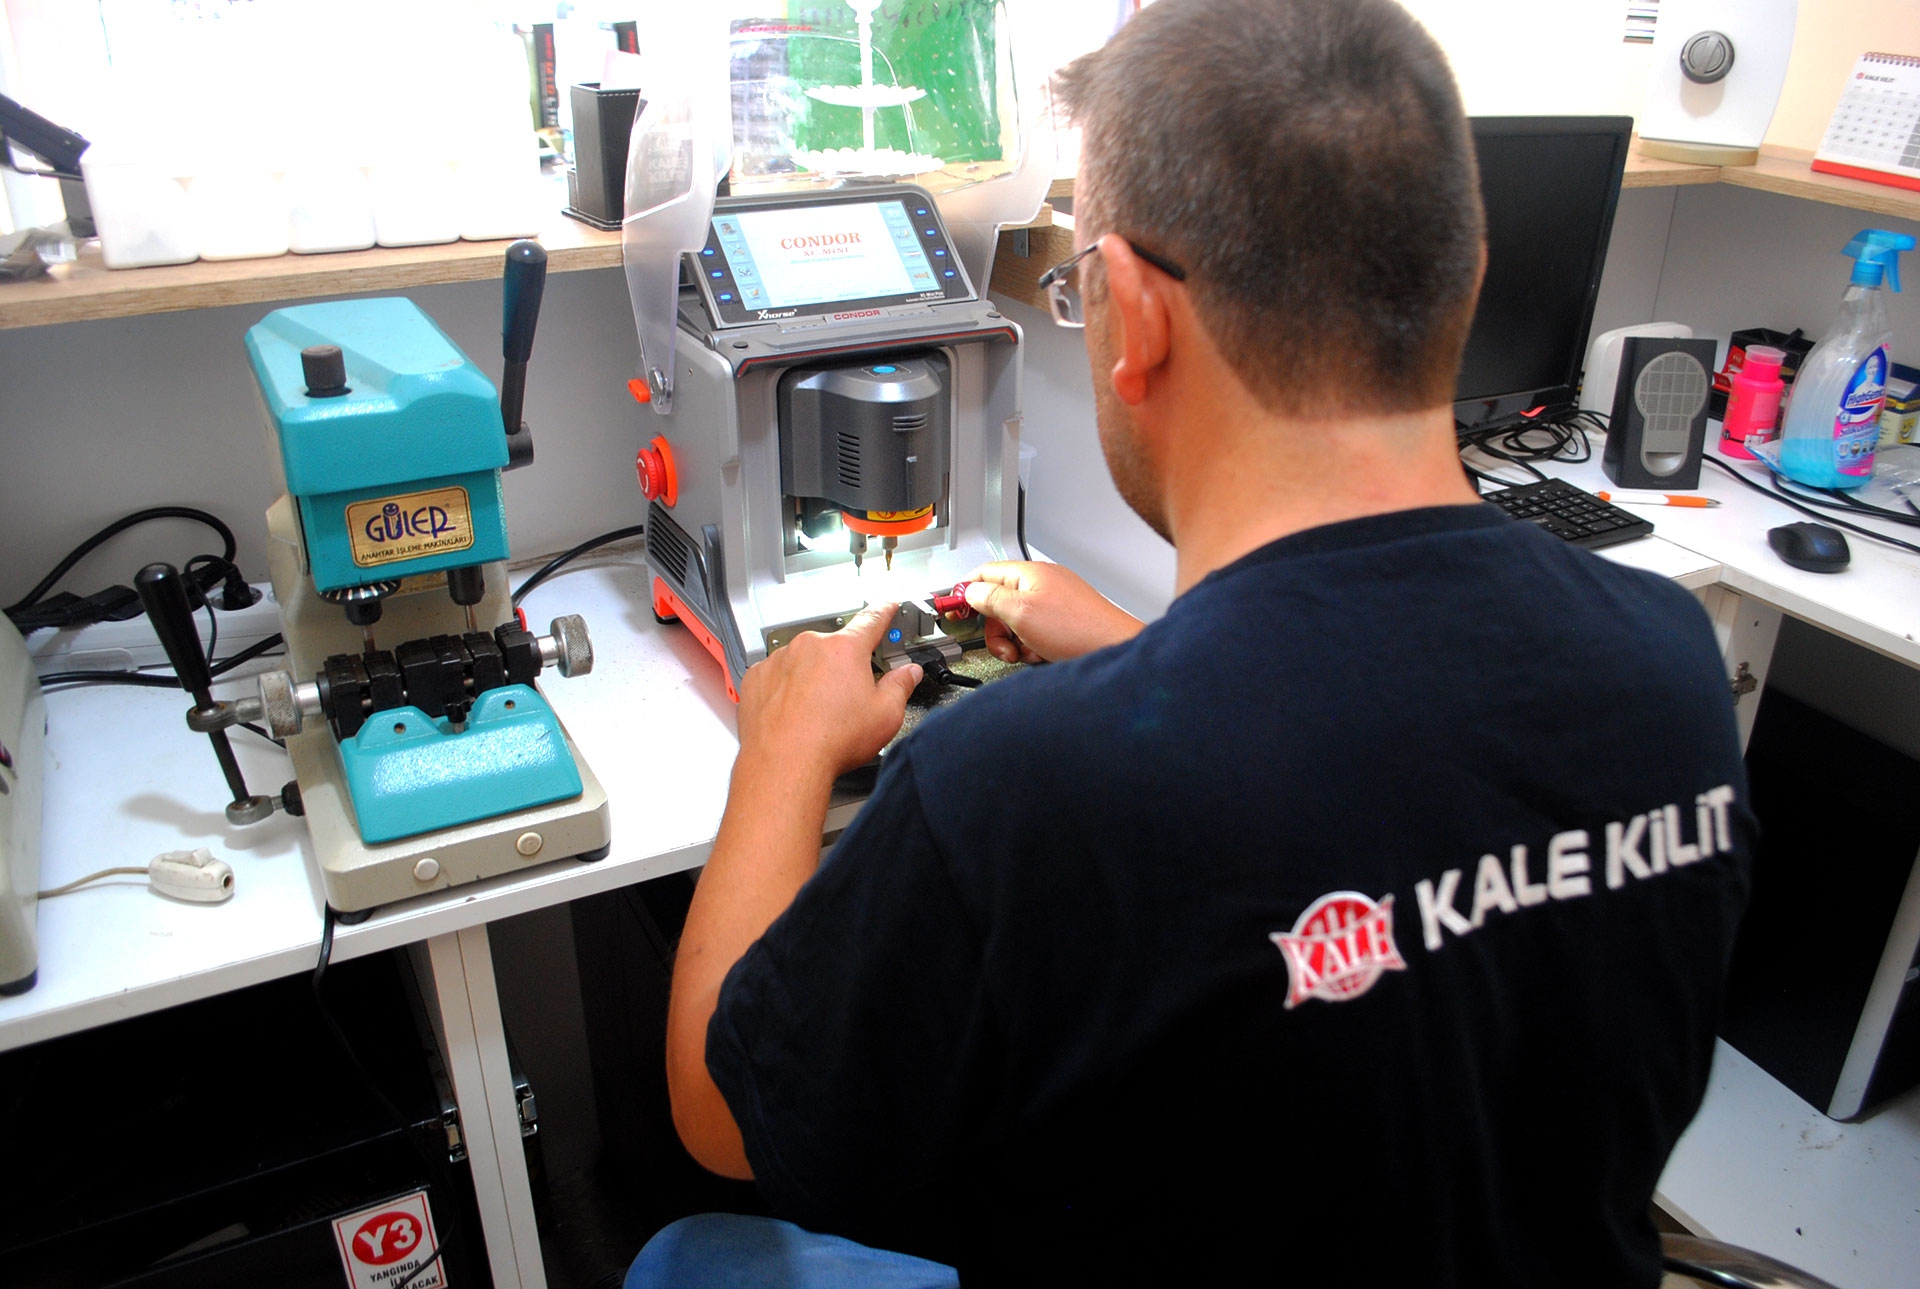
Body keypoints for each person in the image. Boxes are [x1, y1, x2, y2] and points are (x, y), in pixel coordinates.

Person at [633, 0, 1753, 1284]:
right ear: (1469, 269)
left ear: (1133, 310)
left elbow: (722, 1115)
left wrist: (780, 750)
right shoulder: (1669, 660)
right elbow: (1375, 785)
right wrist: (1140, 651)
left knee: (689, 1252)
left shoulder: (1010, 787)